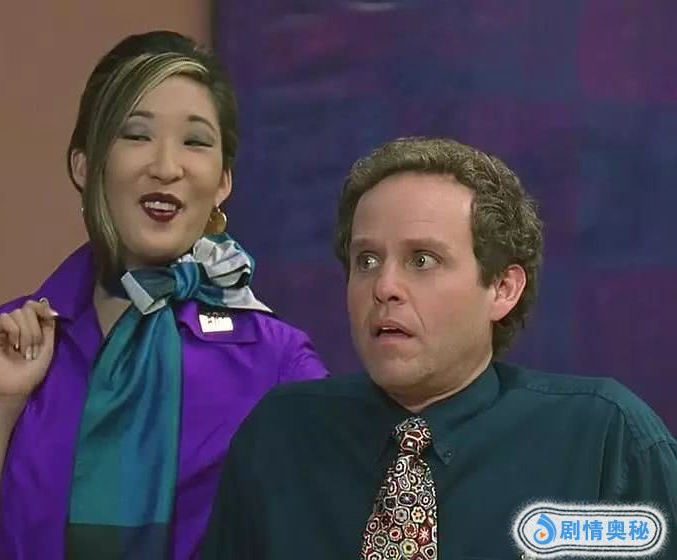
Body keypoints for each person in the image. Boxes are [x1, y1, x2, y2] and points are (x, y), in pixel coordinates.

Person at [0, 30, 329, 560]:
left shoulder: (276, 361)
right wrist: (1, 408)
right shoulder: (9, 342)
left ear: (223, 181)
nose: (166, 166)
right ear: (84, 165)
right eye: (136, 135)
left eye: (196, 142)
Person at [201, 137, 677, 559]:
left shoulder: (604, 440)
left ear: (503, 289)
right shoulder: (281, 436)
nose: (384, 287)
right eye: (367, 260)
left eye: (422, 260)